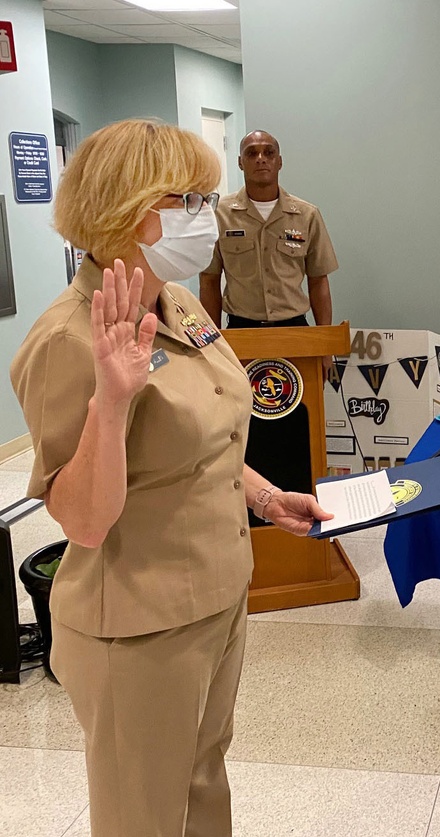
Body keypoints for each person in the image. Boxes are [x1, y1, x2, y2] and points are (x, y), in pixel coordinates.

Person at [10, 119, 333, 837]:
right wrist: (112, 399)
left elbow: (205, 438)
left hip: (218, 591)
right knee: (143, 812)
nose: (204, 212)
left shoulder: (176, 301)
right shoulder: (68, 337)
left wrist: (264, 495)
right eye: (184, 196)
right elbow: (84, 519)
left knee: (202, 776)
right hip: (138, 621)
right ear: (124, 210)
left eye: (203, 194)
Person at [199, 130, 338, 374]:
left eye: (269, 152)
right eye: (251, 153)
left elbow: (319, 281)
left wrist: (324, 346)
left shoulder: (307, 215)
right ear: (240, 162)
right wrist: (214, 343)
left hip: (295, 332)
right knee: (244, 410)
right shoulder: (218, 214)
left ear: (279, 161)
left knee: (302, 410)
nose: (261, 158)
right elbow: (209, 281)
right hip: (242, 333)